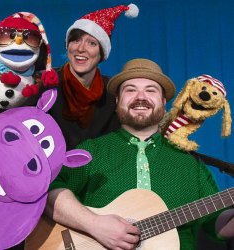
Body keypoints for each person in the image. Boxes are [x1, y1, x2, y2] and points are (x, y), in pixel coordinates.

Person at [45, 58, 234, 249]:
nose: (140, 97)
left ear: (163, 102)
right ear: (117, 101)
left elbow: (215, 225)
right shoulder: (91, 151)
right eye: (130, 90)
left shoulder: (191, 164)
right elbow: (49, 190)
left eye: (150, 90)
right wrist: (94, 224)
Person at [42, 3, 139, 150]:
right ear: (68, 47)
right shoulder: (46, 82)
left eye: (91, 43)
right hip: (52, 170)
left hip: (101, 169)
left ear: (102, 54)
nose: (81, 48)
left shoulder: (113, 92)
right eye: (75, 40)